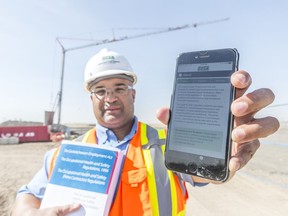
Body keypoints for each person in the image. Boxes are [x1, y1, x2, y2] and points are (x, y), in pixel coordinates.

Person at [11, 48, 279, 216]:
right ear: (90, 98)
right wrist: (27, 211)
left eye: (119, 87)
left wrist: (226, 148)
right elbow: (27, 195)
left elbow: (212, 175)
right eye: (100, 90)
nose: (110, 97)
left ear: (134, 93)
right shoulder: (65, 154)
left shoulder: (169, 144)